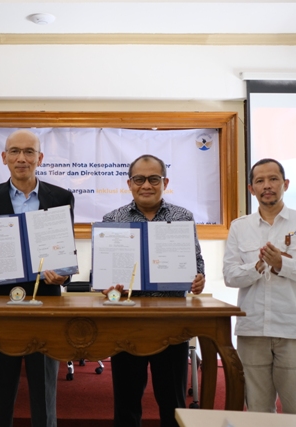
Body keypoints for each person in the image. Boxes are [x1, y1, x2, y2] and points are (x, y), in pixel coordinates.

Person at [0, 129, 74, 427]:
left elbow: (64, 251)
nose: (22, 158)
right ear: (4, 157)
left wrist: (62, 276)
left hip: (45, 303)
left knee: (44, 390)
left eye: (29, 152)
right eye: (15, 151)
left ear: (40, 158)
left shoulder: (61, 197)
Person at [102, 154, 205, 427]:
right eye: (139, 179)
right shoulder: (113, 219)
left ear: (165, 183)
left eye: (153, 179)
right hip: (127, 322)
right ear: (129, 183)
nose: (146, 185)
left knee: (172, 401)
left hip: (170, 322)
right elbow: (104, 274)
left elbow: (196, 261)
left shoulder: (182, 217)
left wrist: (199, 278)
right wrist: (107, 287)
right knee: (126, 402)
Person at [223, 158, 296, 414]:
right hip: (253, 329)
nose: (267, 186)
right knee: (258, 410)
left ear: (285, 184)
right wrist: (258, 266)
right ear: (251, 189)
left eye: (273, 179)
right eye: (260, 181)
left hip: (293, 328)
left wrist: (282, 264)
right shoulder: (240, 227)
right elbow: (230, 276)